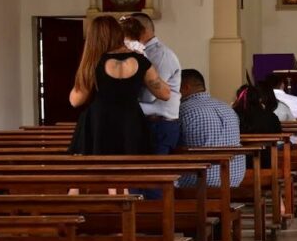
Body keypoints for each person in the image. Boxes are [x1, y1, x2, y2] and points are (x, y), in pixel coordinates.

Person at [68, 16, 170, 155]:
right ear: (118, 33)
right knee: (132, 171)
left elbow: (75, 101)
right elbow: (165, 94)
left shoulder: (93, 63)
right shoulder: (140, 60)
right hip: (131, 122)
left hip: (99, 124)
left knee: (100, 172)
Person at [121, 13, 182, 154]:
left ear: (142, 31)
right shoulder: (140, 53)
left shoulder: (160, 54)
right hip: (146, 122)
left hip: (159, 124)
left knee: (156, 172)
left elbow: (150, 96)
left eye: (128, 31)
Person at [177, 69, 245, 188]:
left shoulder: (183, 110)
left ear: (185, 87)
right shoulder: (227, 108)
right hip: (234, 178)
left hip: (199, 180)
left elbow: (171, 143)